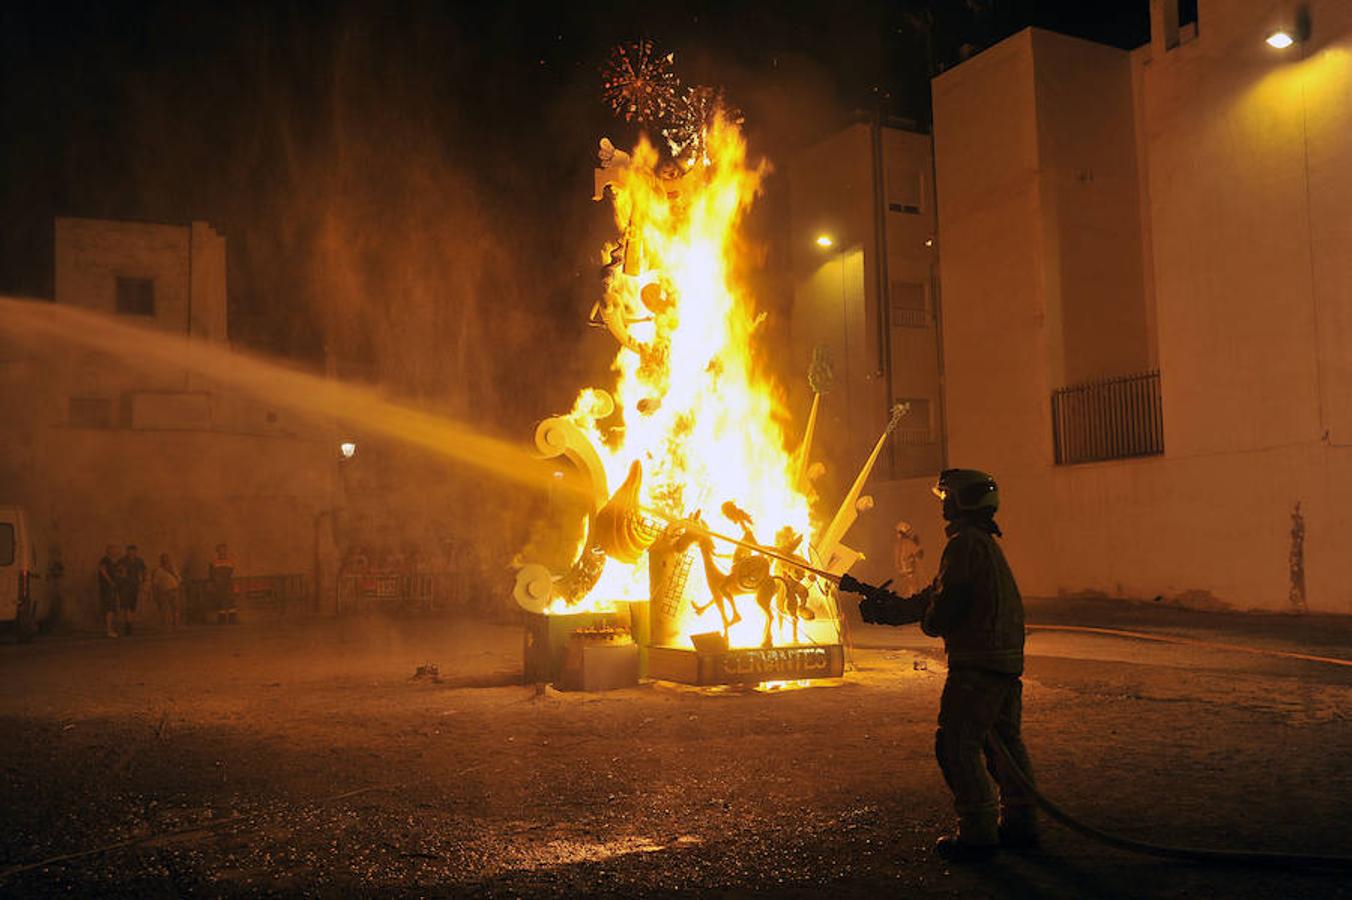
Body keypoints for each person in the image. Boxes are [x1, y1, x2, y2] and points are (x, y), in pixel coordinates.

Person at [839, 468, 1037, 862]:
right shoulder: (979, 544)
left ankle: (978, 833)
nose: (943, 503)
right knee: (1004, 746)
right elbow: (937, 592)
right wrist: (894, 610)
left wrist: (928, 621)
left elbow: (946, 605)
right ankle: (1020, 824)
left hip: (977, 663)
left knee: (956, 744)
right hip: (1001, 660)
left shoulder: (963, 544)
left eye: (948, 497)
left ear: (963, 501)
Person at [119, 545, 147, 636]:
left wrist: (143, 579)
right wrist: (121, 575)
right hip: (125, 586)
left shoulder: (139, 561)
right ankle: (128, 625)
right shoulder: (123, 560)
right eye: (129, 551)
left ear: (135, 552)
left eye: (133, 551)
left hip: (135, 586)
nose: (131, 553)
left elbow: (144, 570)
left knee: (132, 606)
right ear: (127, 552)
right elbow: (117, 571)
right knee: (126, 605)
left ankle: (130, 624)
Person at [208, 543, 237, 625]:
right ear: (217, 551)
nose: (222, 552)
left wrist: (231, 583)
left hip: (228, 583)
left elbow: (233, 573)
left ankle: (232, 619)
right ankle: (222, 619)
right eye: (220, 550)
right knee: (220, 601)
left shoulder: (230, 561)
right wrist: (213, 584)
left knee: (231, 600)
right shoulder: (213, 562)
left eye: (224, 549)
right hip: (219, 584)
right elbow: (211, 574)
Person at [893, 520, 925, 596]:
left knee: (908, 593)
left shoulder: (901, 544)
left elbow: (918, 554)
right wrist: (917, 544)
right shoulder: (906, 543)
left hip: (905, 574)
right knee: (912, 593)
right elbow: (919, 555)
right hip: (908, 574)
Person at [97, 544, 122, 638]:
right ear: (109, 551)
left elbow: (117, 572)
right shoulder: (105, 560)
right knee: (109, 608)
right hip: (107, 588)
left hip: (111, 588)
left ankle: (110, 629)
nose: (116, 552)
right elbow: (102, 570)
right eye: (114, 550)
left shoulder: (113, 562)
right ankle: (109, 630)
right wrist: (110, 582)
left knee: (112, 608)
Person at [152, 553, 182, 630]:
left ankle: (176, 625)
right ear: (161, 560)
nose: (166, 560)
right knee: (165, 610)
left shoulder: (174, 568)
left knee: (176, 609)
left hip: (174, 591)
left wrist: (173, 572)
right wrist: (155, 593)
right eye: (164, 559)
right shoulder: (159, 571)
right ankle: (166, 626)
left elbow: (179, 579)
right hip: (165, 592)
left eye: (167, 559)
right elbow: (155, 583)